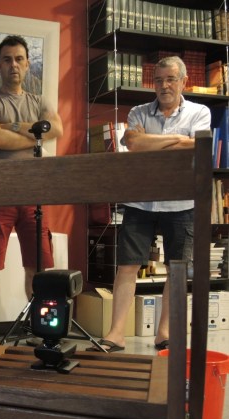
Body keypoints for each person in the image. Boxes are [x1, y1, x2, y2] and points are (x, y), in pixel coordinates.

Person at [88, 56, 211, 353]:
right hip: (140, 201)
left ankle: (164, 333)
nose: (164, 85)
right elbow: (133, 143)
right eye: (158, 80)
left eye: (170, 79)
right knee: (127, 265)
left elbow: (200, 146)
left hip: (182, 202)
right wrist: (179, 140)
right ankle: (116, 334)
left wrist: (153, 142)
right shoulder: (138, 112)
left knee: (176, 270)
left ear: (183, 82)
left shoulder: (200, 112)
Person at [0, 35, 64, 354]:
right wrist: (35, 135)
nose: (14, 65)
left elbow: (57, 130)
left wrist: (10, 128)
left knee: (38, 266)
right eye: (7, 59)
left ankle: (40, 328)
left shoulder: (40, 101)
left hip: (34, 194)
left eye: (19, 59)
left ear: (27, 64)